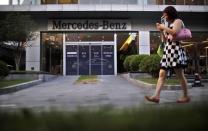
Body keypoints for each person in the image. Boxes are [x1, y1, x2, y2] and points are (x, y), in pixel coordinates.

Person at [145, 6, 190, 103]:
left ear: (170, 13)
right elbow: (166, 40)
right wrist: (161, 31)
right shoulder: (168, 24)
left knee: (180, 75)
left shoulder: (178, 21)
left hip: (175, 50)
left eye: (165, 14)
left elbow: (174, 32)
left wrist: (163, 27)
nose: (164, 16)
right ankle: (156, 96)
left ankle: (186, 96)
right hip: (168, 50)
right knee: (161, 74)